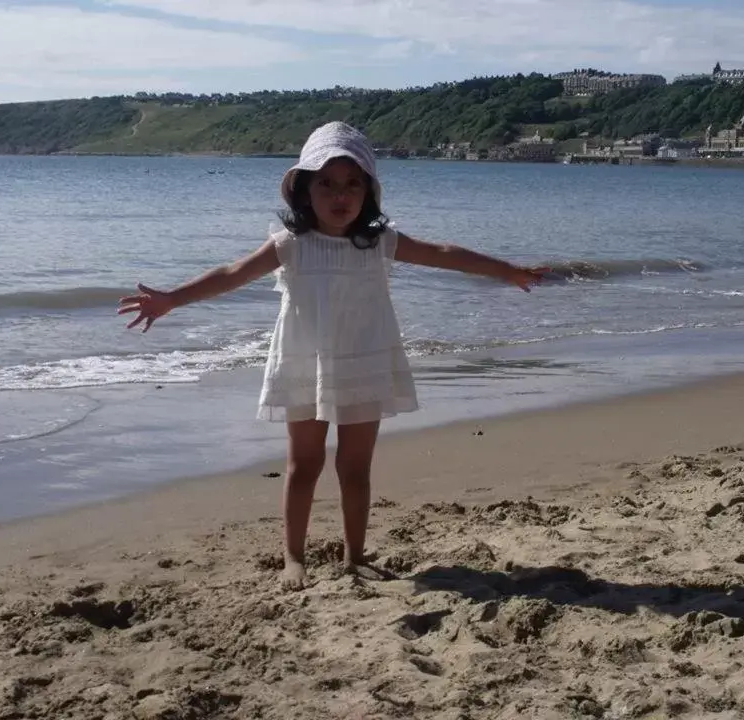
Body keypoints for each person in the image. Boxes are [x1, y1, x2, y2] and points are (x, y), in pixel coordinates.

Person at [119, 122, 549, 591]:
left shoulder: (379, 242)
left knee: (355, 467)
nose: (339, 195)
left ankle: (355, 557)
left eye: (352, 183)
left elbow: (444, 253)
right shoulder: (291, 245)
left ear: (368, 191)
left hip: (364, 361)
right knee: (304, 464)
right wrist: (170, 299)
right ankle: (293, 557)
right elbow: (231, 273)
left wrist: (506, 271)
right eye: (326, 183)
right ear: (304, 190)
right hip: (306, 362)